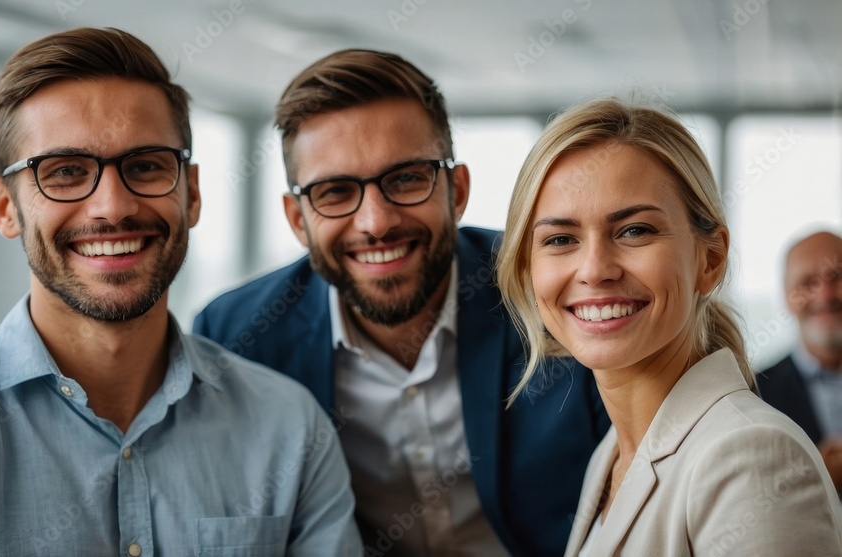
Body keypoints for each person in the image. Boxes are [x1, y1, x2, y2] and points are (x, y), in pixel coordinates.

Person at [0, 27, 360, 556]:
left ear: (193, 192)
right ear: (5, 208)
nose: (112, 206)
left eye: (145, 166)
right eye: (64, 172)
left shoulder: (291, 429)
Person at [194, 48, 610, 557]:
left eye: (407, 178)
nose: (376, 221)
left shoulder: (549, 288)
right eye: (335, 191)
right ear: (298, 218)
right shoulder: (238, 336)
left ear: (456, 189)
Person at [496, 98, 842, 556]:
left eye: (635, 230)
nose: (595, 269)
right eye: (561, 239)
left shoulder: (753, 456)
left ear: (710, 259)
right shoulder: (612, 454)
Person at [758, 230, 842, 493]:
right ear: (786, 298)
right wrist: (814, 479)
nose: (825, 296)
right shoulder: (755, 393)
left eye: (837, 277)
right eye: (807, 283)